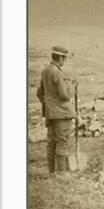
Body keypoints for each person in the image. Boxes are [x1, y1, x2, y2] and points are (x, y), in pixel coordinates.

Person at [36, 46, 77, 176]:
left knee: (51, 142)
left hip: (50, 113)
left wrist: (48, 104)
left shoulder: (45, 71)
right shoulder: (58, 73)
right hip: (62, 114)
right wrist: (73, 86)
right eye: (64, 58)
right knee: (62, 141)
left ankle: (52, 172)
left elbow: (39, 92)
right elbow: (65, 95)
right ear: (59, 57)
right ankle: (61, 173)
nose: (64, 61)